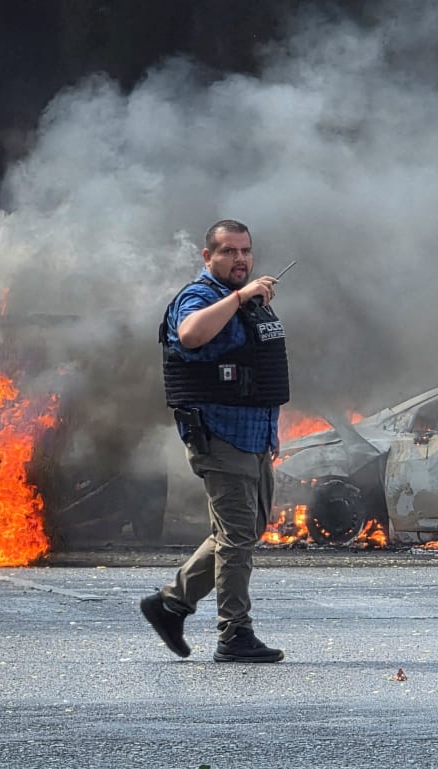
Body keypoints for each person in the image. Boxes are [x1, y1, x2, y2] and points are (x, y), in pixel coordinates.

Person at [141, 219, 288, 663]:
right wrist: (240, 297)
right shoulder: (200, 296)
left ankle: (170, 604)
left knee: (242, 532)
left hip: (253, 435)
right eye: (228, 251)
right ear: (208, 257)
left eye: (245, 251)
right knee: (237, 535)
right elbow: (190, 335)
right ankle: (234, 633)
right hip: (219, 435)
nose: (239, 259)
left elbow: (258, 371)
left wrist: (271, 430)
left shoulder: (249, 303)